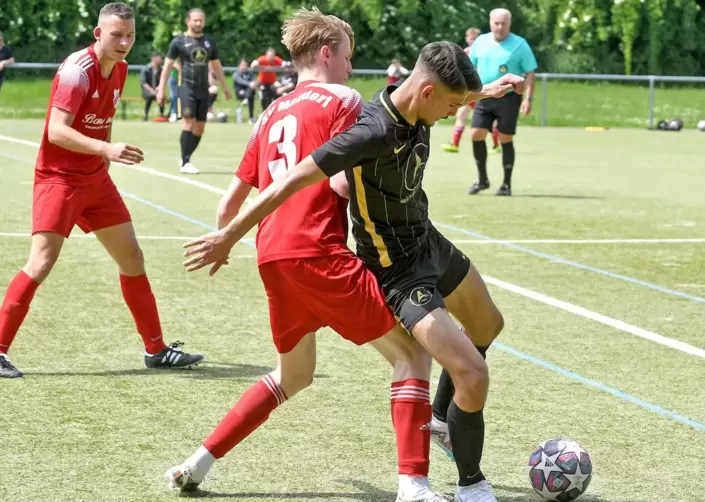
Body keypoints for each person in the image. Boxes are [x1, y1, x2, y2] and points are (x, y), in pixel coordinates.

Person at [182, 42, 522, 502]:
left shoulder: (416, 103)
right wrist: (229, 234)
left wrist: (485, 93)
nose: (452, 114)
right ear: (425, 93)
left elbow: (438, 96)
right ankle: (449, 484)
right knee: (447, 368)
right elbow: (292, 179)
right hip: (395, 267)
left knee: (487, 324)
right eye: (451, 105)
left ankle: (439, 418)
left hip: (427, 241)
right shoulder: (369, 131)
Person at [0, 2, 203, 379]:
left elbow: (104, 121)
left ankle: (156, 350)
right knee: (41, 263)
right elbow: (56, 131)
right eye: (117, 34)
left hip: (95, 180)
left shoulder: (121, 68)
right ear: (99, 33)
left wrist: (106, 157)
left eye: (130, 35)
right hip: (59, 179)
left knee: (132, 257)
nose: (125, 42)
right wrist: (106, 149)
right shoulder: (75, 73)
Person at [467, 8, 536, 196]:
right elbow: (469, 66)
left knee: (505, 137)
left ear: (509, 24)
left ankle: (506, 184)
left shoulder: (520, 45)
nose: (499, 27)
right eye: (496, 23)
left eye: (503, 23)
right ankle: (482, 180)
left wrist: (528, 98)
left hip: (509, 97)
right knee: (476, 133)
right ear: (490, 23)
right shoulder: (480, 42)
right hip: (484, 94)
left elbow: (530, 72)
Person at [156, 8, 231, 175]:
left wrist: (225, 87)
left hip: (203, 90)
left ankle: (186, 156)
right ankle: (185, 160)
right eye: (195, 20)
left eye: (201, 20)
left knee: (200, 128)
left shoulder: (209, 42)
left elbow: (216, 66)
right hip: (186, 88)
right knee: (189, 123)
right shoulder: (178, 42)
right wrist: (161, 89)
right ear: (187, 21)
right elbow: (167, 66)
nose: (198, 23)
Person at [441, 27, 499, 154]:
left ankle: (496, 145)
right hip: (468, 89)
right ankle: (455, 144)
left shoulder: (485, 52)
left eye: (475, 38)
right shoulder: (464, 53)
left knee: (489, 118)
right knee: (461, 114)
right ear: (467, 39)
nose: (473, 41)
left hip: (481, 89)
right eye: (471, 38)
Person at [140, 52, 164, 121]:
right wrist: (152, 91)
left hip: (157, 91)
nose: (160, 60)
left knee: (161, 96)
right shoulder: (145, 69)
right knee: (150, 96)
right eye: (159, 58)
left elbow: (163, 80)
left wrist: (159, 87)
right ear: (153, 58)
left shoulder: (160, 69)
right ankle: (145, 115)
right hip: (147, 91)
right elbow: (143, 83)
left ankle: (162, 115)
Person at [232, 58, 256, 123]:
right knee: (250, 95)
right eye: (242, 65)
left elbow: (254, 80)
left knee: (251, 94)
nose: (244, 66)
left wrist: (253, 83)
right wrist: (249, 83)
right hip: (239, 93)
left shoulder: (250, 73)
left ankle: (251, 117)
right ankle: (251, 116)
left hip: (249, 93)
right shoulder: (236, 74)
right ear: (239, 65)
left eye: (245, 65)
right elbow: (239, 81)